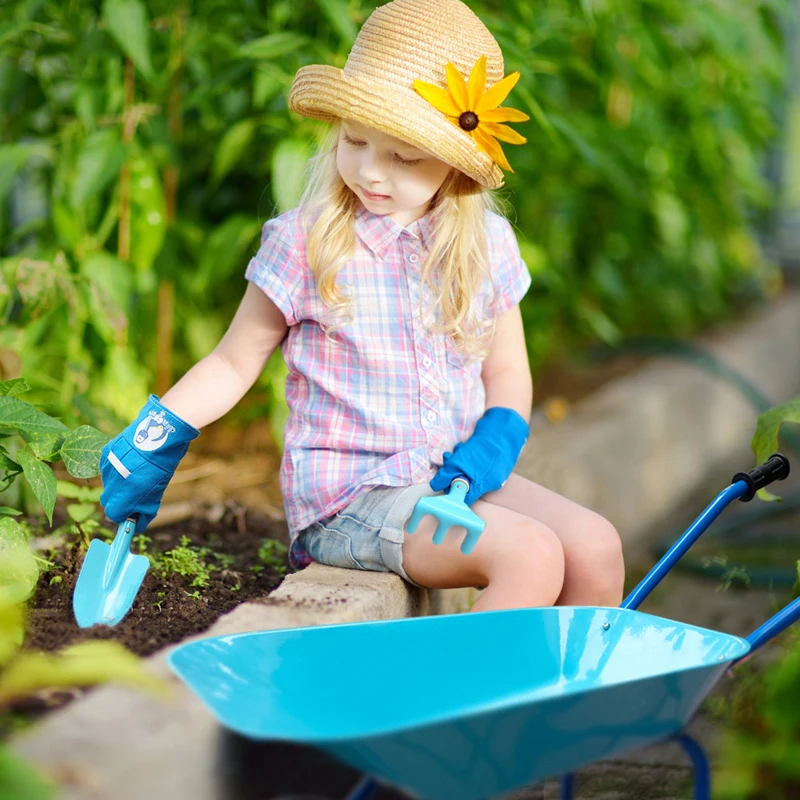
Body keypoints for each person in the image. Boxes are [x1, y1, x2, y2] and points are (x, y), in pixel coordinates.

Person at [99, 0, 625, 613]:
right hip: (352, 498)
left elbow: (507, 375)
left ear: (455, 168)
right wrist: (156, 438)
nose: (372, 172)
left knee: (596, 546)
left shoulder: (484, 247)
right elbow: (233, 362)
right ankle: (460, 707)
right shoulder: (307, 242)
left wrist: (488, 452)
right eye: (355, 141)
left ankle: (567, 706)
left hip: (455, 479)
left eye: (403, 156)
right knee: (528, 555)